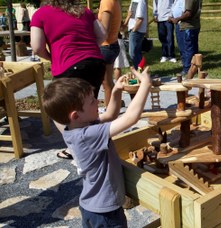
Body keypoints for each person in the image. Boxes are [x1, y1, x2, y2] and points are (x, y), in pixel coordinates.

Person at [42, 67, 151, 227]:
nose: (97, 102)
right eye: (93, 101)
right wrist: (145, 85)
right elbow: (130, 118)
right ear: (76, 115)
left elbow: (110, 115)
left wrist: (116, 91)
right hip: (105, 212)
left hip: (93, 207)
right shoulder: (87, 135)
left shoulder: (76, 128)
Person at [30, 0, 107, 159]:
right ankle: (96, 142)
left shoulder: (41, 13)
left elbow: (36, 46)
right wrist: (87, 49)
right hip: (95, 63)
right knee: (87, 106)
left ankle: (76, 148)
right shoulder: (83, 11)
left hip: (68, 65)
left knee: (57, 108)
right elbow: (102, 35)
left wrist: (52, 57)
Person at [98, 0, 122, 107]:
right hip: (111, 44)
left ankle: (109, 111)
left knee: (106, 83)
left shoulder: (107, 2)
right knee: (108, 82)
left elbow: (105, 31)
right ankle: (112, 108)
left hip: (106, 46)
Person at [169, 0, 201, 76]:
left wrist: (177, 19)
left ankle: (188, 69)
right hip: (184, 26)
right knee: (187, 48)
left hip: (187, 26)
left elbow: (188, 13)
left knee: (187, 49)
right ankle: (192, 67)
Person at [123, 0, 147, 70]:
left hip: (137, 31)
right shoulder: (134, 1)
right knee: (136, 52)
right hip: (134, 30)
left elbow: (140, 19)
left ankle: (138, 71)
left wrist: (134, 30)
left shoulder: (140, 1)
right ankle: (140, 71)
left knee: (133, 53)